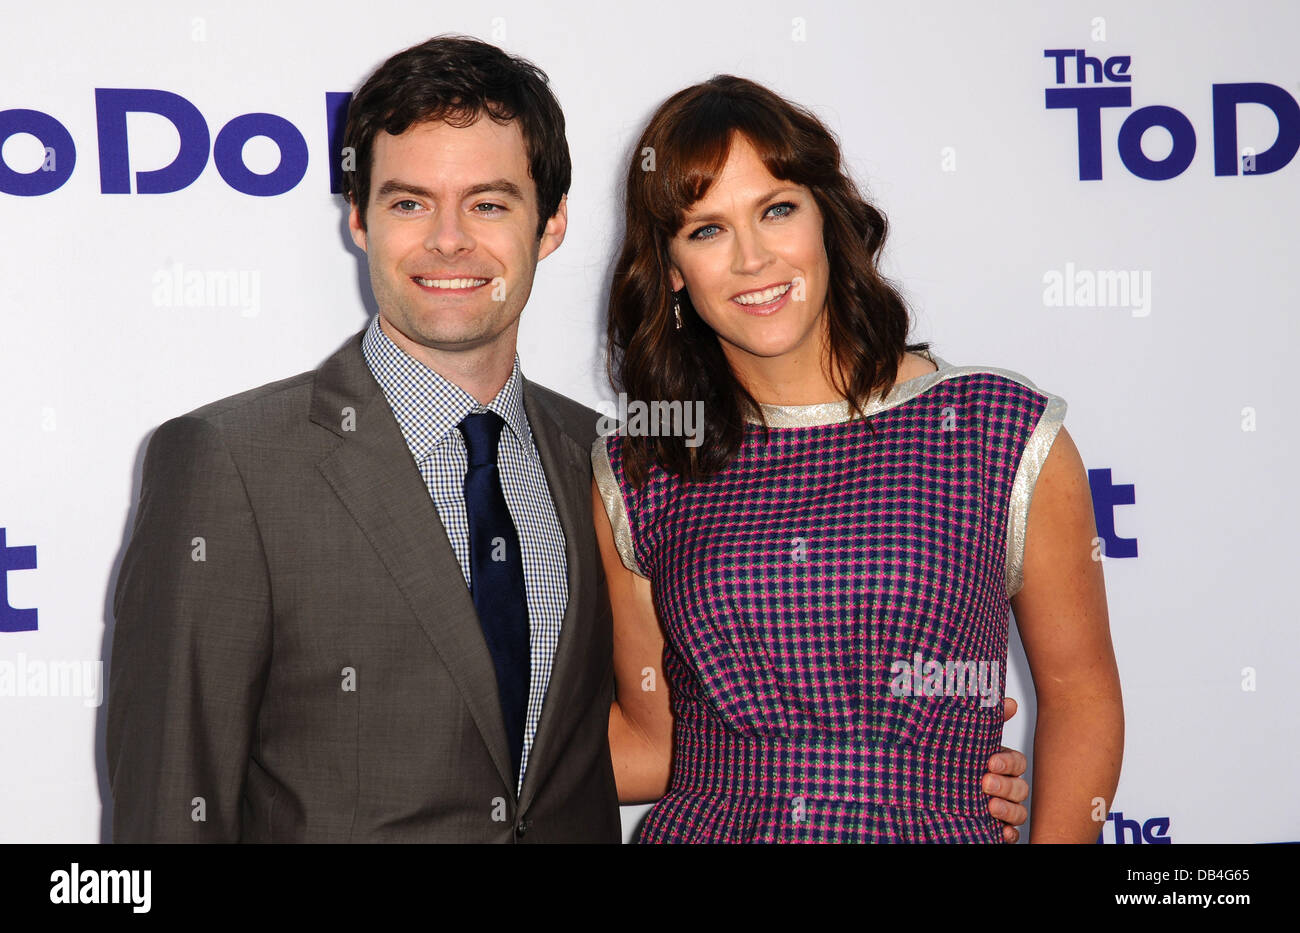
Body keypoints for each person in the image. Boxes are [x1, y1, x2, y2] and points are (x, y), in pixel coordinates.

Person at [106, 36, 1032, 843]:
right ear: (357, 220)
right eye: (407, 203)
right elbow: (164, 806)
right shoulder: (230, 462)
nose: (448, 241)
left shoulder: (619, 463)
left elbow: (672, 729)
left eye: (490, 203)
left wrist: (925, 764)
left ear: (549, 225)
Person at [593, 75, 1123, 842]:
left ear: (825, 220)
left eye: (777, 210)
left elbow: (1080, 697)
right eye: (706, 230)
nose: (751, 258)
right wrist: (416, 761)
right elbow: (652, 741)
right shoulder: (642, 463)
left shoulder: (994, 432)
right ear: (672, 269)